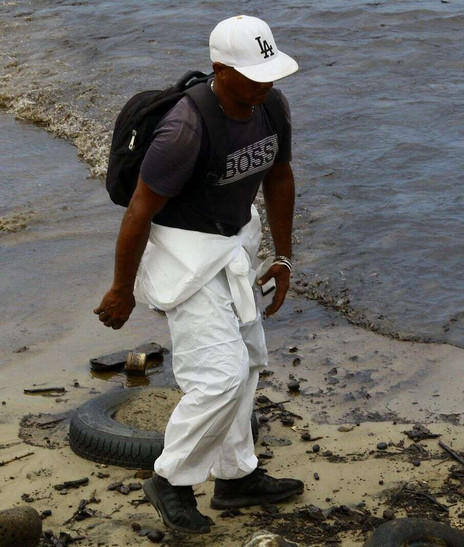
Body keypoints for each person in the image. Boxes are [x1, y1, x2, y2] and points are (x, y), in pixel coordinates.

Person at [93, 15, 303, 534]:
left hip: (234, 245)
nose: (266, 83)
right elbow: (138, 212)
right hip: (183, 256)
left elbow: (279, 177)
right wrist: (121, 289)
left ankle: (235, 476)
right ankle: (171, 481)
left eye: (270, 70)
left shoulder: (270, 106)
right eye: (254, 74)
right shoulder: (184, 129)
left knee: (248, 362)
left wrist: (284, 255)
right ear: (220, 70)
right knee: (218, 375)